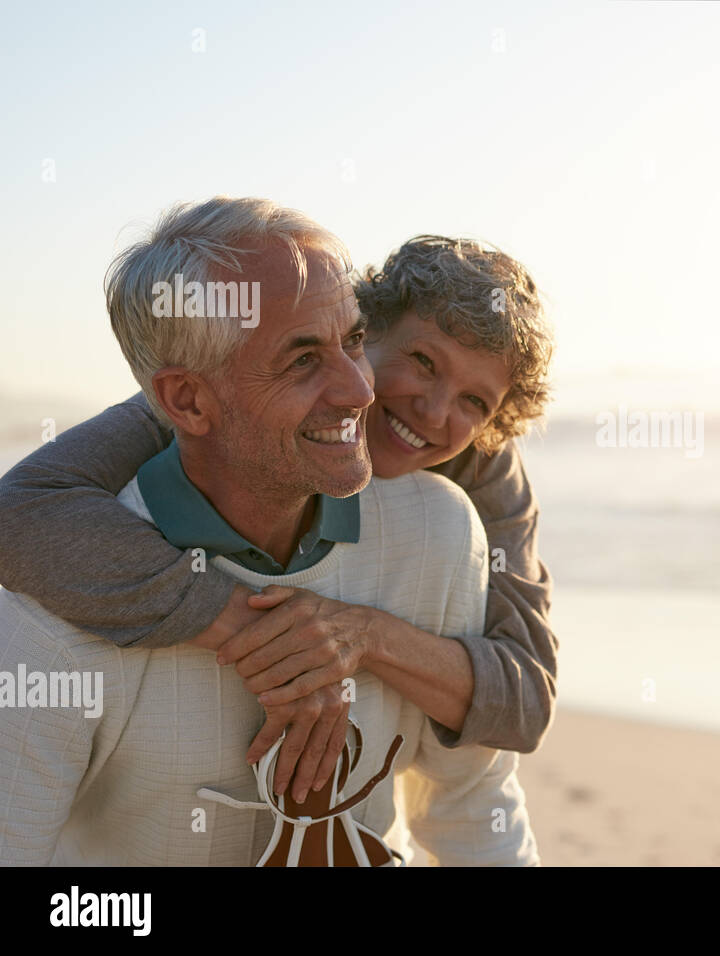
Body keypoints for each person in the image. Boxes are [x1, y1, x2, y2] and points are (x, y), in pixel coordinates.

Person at [0, 197, 538, 864]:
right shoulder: (52, 596)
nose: (360, 391)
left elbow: (480, 792)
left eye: (352, 343)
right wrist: (268, 640)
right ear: (188, 401)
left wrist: (360, 635)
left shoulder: (446, 527)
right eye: (303, 359)